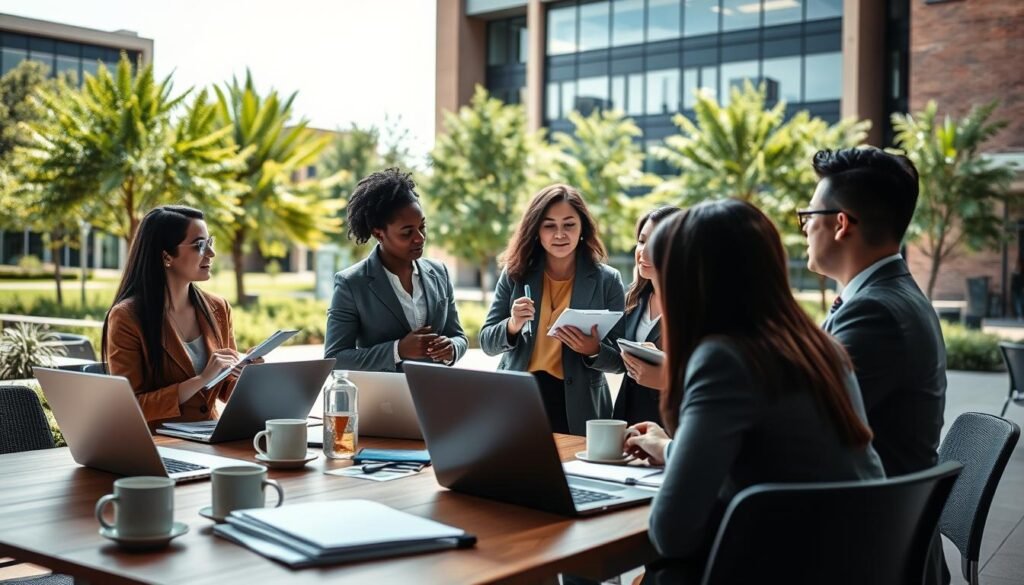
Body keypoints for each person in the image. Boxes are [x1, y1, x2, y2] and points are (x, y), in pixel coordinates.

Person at [626, 199, 884, 565]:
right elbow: (770, 454)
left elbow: (671, 532)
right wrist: (670, 448)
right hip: (854, 560)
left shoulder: (724, 360)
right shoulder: (819, 347)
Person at [803, 147, 948, 584]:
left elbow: (803, 427)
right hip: (888, 531)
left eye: (809, 214)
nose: (806, 227)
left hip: (870, 549)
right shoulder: (886, 296)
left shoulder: (877, 313)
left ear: (841, 223)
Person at [479, 184, 624, 436]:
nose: (560, 234)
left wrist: (593, 351)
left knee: (573, 474)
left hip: (578, 403)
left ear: (583, 229)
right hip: (518, 397)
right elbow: (487, 342)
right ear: (536, 230)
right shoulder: (515, 273)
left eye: (569, 224)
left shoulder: (608, 280)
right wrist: (512, 325)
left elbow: (621, 361)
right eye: (549, 226)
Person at [103, 206, 246, 429]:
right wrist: (200, 380)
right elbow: (131, 405)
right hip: (160, 444)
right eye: (200, 245)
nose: (211, 253)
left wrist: (249, 375)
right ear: (166, 256)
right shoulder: (127, 317)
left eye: (210, 242)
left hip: (211, 437)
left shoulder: (218, 308)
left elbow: (227, 389)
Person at [324, 167, 467, 371]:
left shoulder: (439, 273)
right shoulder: (351, 283)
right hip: (383, 399)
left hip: (434, 395)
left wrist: (452, 348)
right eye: (407, 232)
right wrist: (397, 350)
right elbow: (335, 359)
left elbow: (458, 336)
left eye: (422, 227)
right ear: (379, 234)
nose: (420, 237)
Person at [590, 206, 680, 426]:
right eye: (641, 241)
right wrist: (593, 349)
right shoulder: (633, 298)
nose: (644, 251)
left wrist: (665, 377)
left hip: (670, 427)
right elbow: (620, 362)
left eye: (657, 243)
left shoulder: (694, 308)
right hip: (628, 421)